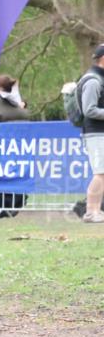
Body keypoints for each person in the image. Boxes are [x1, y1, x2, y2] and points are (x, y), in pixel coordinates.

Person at [0, 74, 30, 218]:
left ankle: (3, 207)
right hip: (20, 146)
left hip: (2, 146)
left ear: (0, 88)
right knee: (17, 172)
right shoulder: (18, 102)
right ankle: (16, 202)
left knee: (1, 175)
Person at [78, 44, 104, 223]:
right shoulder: (94, 80)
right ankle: (90, 211)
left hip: (99, 132)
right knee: (100, 173)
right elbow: (89, 110)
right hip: (96, 133)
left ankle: (96, 211)